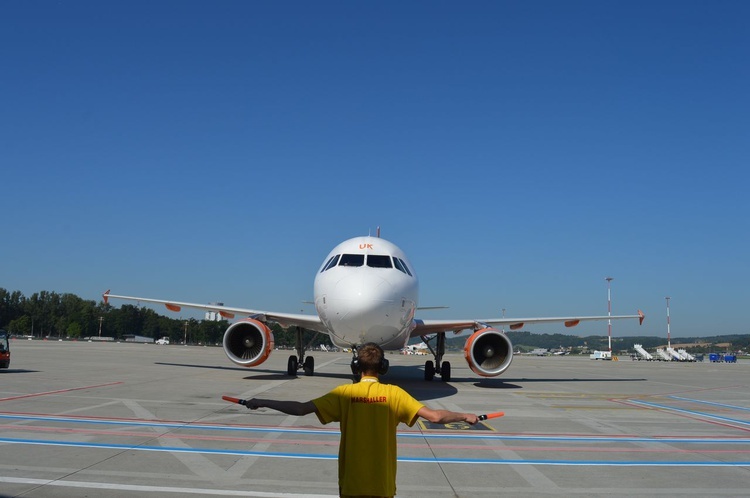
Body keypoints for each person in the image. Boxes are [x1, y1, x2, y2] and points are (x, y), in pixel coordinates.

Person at [244, 342, 479, 498]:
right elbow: (436, 417)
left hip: (351, 485)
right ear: (383, 367)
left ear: (356, 367)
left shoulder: (344, 393)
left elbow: (300, 409)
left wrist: (265, 402)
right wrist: (464, 415)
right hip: (382, 486)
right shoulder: (394, 394)